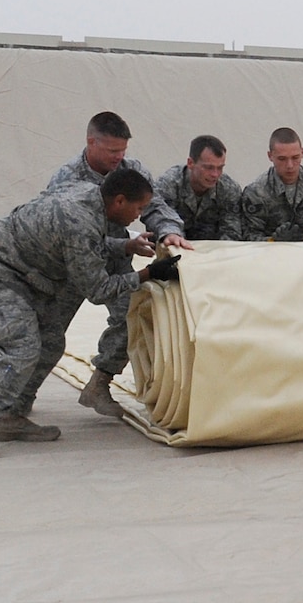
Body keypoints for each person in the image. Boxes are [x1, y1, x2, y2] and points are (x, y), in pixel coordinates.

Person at [0, 167, 180, 458]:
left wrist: (125, 245)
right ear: (120, 201)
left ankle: (10, 416)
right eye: (137, 208)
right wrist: (148, 274)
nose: (138, 216)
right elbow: (98, 290)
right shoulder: (80, 218)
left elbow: (83, 243)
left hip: (25, 272)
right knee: (21, 349)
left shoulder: (92, 198)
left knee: (50, 343)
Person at [40, 111, 193, 419]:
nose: (118, 157)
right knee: (48, 334)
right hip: (71, 265)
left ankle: (99, 384)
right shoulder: (67, 178)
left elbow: (154, 204)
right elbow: (51, 225)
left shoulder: (130, 170)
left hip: (117, 260)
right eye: (112, 151)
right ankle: (16, 398)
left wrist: (169, 231)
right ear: (90, 142)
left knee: (131, 318)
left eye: (122, 150)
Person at [241, 128, 303, 243]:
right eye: (282, 159)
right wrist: (273, 241)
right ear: (270, 156)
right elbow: (249, 236)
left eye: (295, 157)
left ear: (302, 153)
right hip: (270, 255)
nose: (290, 165)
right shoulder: (256, 192)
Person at [154, 135, 244, 241]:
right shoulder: (169, 185)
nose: (215, 174)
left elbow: (232, 232)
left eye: (220, 168)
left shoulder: (229, 189)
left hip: (214, 252)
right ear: (190, 163)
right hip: (173, 248)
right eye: (208, 167)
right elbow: (163, 222)